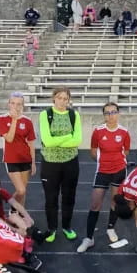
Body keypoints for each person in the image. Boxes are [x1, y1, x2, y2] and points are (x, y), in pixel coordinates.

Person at [77, 102, 130, 253]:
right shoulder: (98, 131)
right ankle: (89, 238)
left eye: (113, 112)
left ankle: (110, 228)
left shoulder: (124, 132)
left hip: (119, 171)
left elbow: (125, 152)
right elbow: (93, 151)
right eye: (107, 113)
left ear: (118, 113)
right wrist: (104, 161)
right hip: (102, 171)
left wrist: (115, 161)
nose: (110, 116)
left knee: (114, 202)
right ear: (104, 115)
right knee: (95, 204)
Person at [39, 87, 82, 243]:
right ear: (53, 99)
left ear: (69, 100)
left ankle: (66, 226)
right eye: (59, 98)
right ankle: (51, 229)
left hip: (71, 163)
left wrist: (57, 140)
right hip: (50, 164)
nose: (62, 101)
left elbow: (77, 140)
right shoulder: (45, 115)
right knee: (51, 198)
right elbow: (47, 141)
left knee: (69, 197)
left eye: (65, 98)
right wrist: (67, 137)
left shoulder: (74, 114)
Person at [0, 91, 36, 206]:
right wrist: (14, 120)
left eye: (19, 104)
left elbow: (31, 143)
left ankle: (20, 216)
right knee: (20, 190)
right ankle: (12, 207)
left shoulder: (27, 121)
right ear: (8, 104)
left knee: (23, 192)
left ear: (22, 106)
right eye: (13, 103)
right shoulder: (1, 119)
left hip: (26, 159)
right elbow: (9, 138)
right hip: (11, 159)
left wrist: (33, 162)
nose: (16, 106)